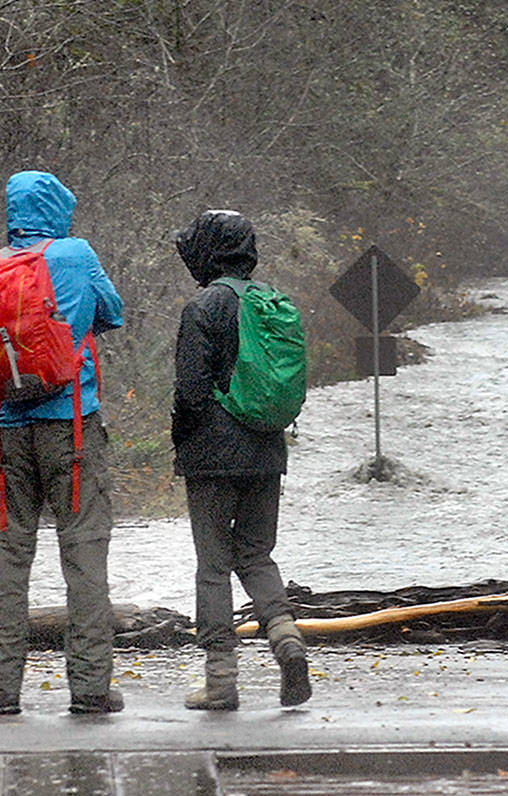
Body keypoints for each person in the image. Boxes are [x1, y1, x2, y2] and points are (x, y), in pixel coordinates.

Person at [0, 170, 124, 715]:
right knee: (84, 556)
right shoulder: (78, 254)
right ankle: (90, 691)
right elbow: (114, 312)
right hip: (74, 430)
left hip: (7, 433)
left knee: (8, 562)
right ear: (59, 209)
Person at [172, 209, 310, 710]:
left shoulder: (203, 307)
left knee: (212, 566)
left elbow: (189, 393)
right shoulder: (271, 302)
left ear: (207, 251)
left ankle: (221, 682)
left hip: (212, 455)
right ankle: (287, 640)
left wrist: (183, 448)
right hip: (267, 449)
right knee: (255, 555)